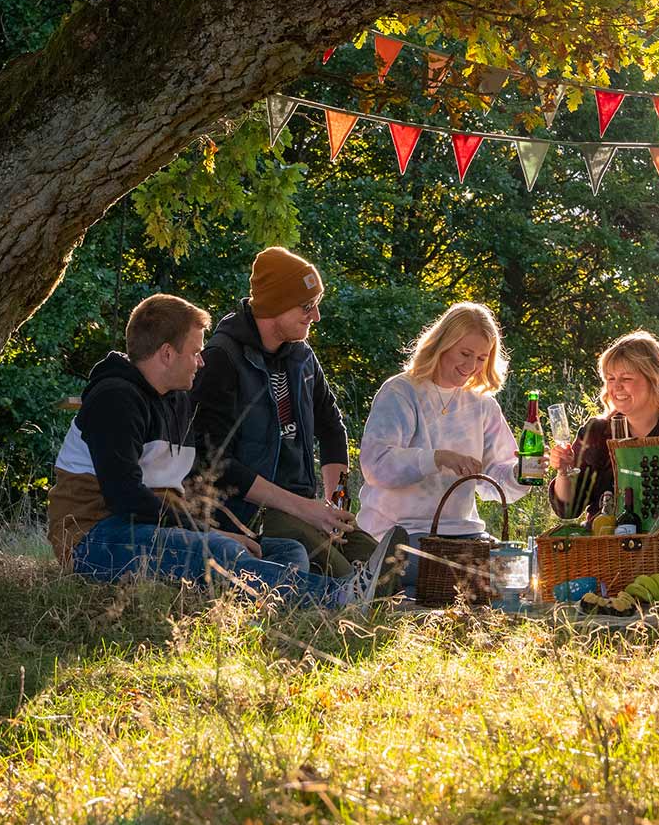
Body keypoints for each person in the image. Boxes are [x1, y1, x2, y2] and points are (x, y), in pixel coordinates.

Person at [54, 293, 388, 607]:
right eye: (195, 352)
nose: (201, 362)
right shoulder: (116, 400)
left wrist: (230, 531)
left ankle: (280, 608)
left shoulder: (177, 401)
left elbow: (183, 486)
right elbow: (125, 497)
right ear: (167, 354)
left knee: (288, 551)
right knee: (219, 550)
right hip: (94, 537)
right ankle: (340, 598)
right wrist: (209, 533)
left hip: (153, 529)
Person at [194, 247, 401, 593]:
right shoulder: (222, 360)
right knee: (346, 575)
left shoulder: (302, 357)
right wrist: (305, 509)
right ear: (274, 305)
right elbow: (215, 462)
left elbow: (331, 426)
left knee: (387, 565)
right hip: (251, 513)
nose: (316, 316)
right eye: (307, 306)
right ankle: (344, 595)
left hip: (303, 506)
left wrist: (336, 502)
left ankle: (372, 590)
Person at [357, 302, 521, 593]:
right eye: (465, 353)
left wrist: (522, 473)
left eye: (481, 358)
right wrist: (436, 458)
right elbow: (376, 465)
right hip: (400, 535)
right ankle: (393, 587)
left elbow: (494, 479)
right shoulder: (401, 391)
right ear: (442, 344)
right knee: (450, 574)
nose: (471, 366)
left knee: (519, 571)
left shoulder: (482, 404)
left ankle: (421, 591)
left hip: (463, 535)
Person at [548, 331, 659, 520]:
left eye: (626, 378)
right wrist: (563, 472)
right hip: (604, 538)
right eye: (610, 378)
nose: (616, 387)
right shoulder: (597, 432)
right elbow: (568, 510)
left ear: (654, 379)